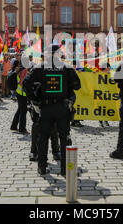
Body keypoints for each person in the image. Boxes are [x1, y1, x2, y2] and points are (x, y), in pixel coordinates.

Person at [23, 44, 81, 176]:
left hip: (46, 107)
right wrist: (67, 88)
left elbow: (26, 84)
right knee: (64, 138)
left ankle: (42, 167)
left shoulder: (39, 67)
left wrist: (34, 99)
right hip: (62, 108)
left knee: (43, 137)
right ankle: (65, 170)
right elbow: (77, 85)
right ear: (59, 54)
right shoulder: (67, 68)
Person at [10, 54, 29, 134]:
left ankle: (14, 126)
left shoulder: (19, 69)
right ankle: (22, 129)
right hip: (22, 93)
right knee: (23, 111)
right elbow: (22, 82)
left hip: (19, 92)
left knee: (20, 109)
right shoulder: (24, 70)